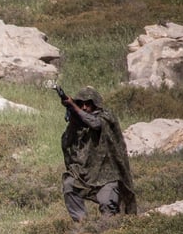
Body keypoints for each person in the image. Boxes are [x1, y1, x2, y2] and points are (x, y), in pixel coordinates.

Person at [57, 85, 136, 223]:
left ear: (96, 104)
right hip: (86, 173)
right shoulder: (79, 122)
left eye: (89, 104)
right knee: (69, 185)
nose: (85, 107)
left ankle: (110, 233)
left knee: (107, 204)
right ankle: (83, 226)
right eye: (81, 104)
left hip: (108, 174)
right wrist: (72, 115)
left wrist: (73, 107)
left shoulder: (106, 117)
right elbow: (67, 142)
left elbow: (95, 124)